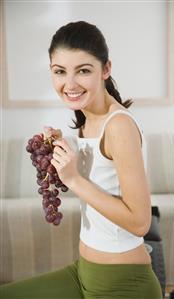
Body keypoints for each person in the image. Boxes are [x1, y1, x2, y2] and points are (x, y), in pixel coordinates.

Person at [0, 21, 162, 299]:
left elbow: (139, 222)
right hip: (84, 272)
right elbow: (102, 170)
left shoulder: (119, 125)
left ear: (106, 69)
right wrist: (64, 144)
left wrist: (73, 178)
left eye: (83, 71)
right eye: (59, 71)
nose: (70, 84)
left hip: (123, 285)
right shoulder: (87, 119)